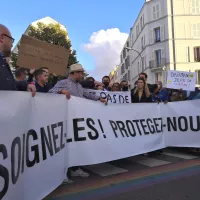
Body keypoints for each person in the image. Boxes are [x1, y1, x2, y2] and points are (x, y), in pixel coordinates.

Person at [49, 63, 107, 183]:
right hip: (66, 119)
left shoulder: (79, 86)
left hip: (76, 120)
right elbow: (50, 92)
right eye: (80, 73)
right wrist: (61, 91)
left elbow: (86, 94)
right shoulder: (63, 83)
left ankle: (74, 168)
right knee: (65, 145)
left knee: (75, 145)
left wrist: (99, 98)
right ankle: (62, 172)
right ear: (74, 73)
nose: (82, 75)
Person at [0, 24, 36, 96]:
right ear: (2, 38)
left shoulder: (3, 60)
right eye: (11, 40)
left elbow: (8, 84)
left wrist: (26, 85)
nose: (12, 45)